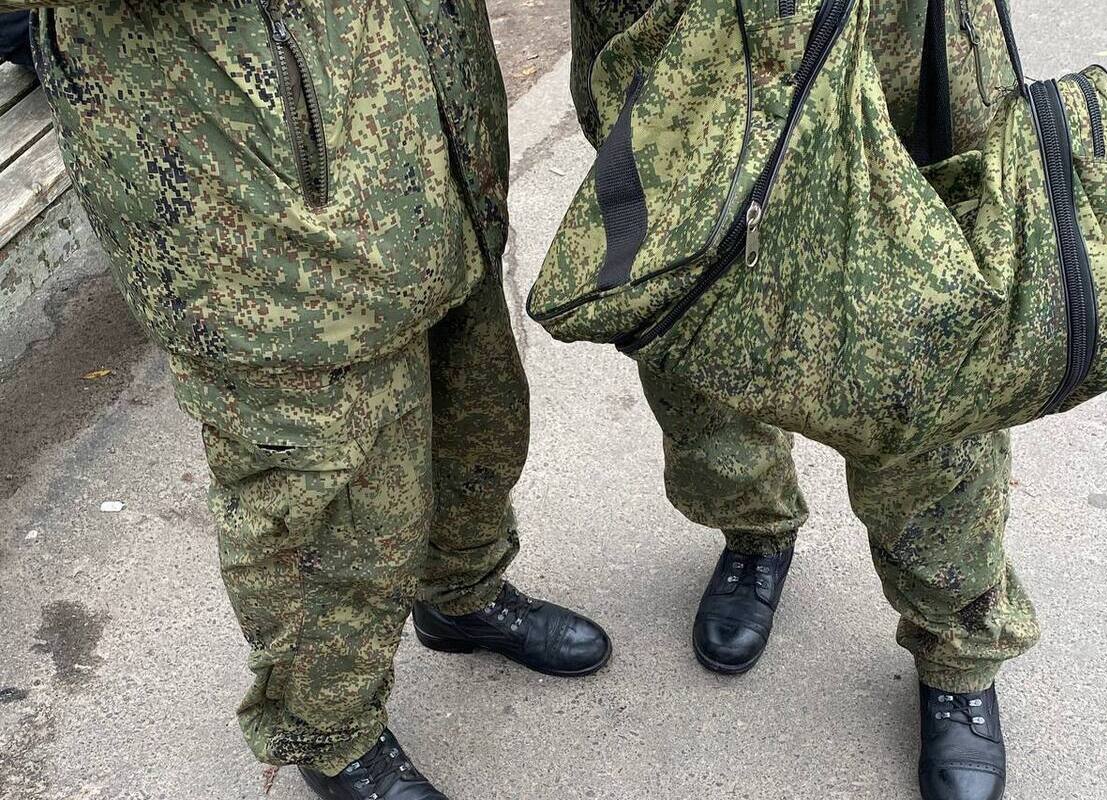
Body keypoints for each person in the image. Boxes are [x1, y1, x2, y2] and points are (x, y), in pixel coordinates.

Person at [7, 0, 611, 797]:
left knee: (476, 416)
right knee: (326, 499)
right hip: (259, 208)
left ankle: (462, 595)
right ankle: (333, 736)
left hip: (428, 141)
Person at [570, 1, 1033, 799]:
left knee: (926, 358)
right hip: (670, 28)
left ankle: (957, 651)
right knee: (695, 316)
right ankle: (755, 531)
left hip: (889, 33)